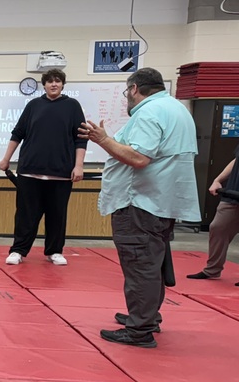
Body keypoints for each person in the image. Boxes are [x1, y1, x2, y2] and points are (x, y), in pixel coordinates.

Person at [79, 67, 200, 347]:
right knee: (152, 264)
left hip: (140, 202)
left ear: (134, 89)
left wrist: (104, 140)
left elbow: (139, 157)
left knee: (141, 266)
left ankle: (139, 329)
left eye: (126, 93)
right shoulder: (177, 109)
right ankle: (146, 316)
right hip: (161, 201)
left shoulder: (149, 112)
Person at [0, 69, 87, 266]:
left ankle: (54, 251)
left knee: (57, 214)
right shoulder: (33, 105)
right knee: (25, 214)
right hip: (30, 170)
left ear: (63, 84)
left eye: (57, 81)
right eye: (50, 81)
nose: (54, 84)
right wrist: (6, 159)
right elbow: (18, 133)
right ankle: (18, 250)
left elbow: (80, 138)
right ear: (44, 84)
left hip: (61, 173)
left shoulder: (72, 106)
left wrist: (78, 166)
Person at [187, 146, 239, 286]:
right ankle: (212, 270)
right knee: (218, 227)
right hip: (233, 194)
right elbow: (236, 160)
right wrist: (218, 179)